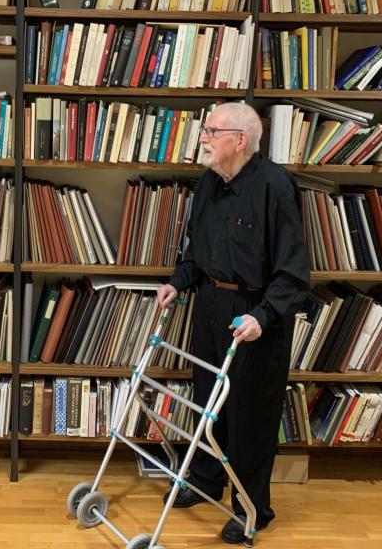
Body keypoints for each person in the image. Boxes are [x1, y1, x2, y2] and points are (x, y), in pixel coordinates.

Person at [156, 102, 310, 544]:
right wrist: (178, 282)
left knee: (250, 417)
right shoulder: (208, 183)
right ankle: (205, 480)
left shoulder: (275, 187)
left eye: (211, 130)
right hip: (209, 306)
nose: (202, 137)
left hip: (256, 314)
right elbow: (196, 251)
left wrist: (263, 316)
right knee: (208, 403)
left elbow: (294, 272)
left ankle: (251, 508)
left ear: (240, 140)